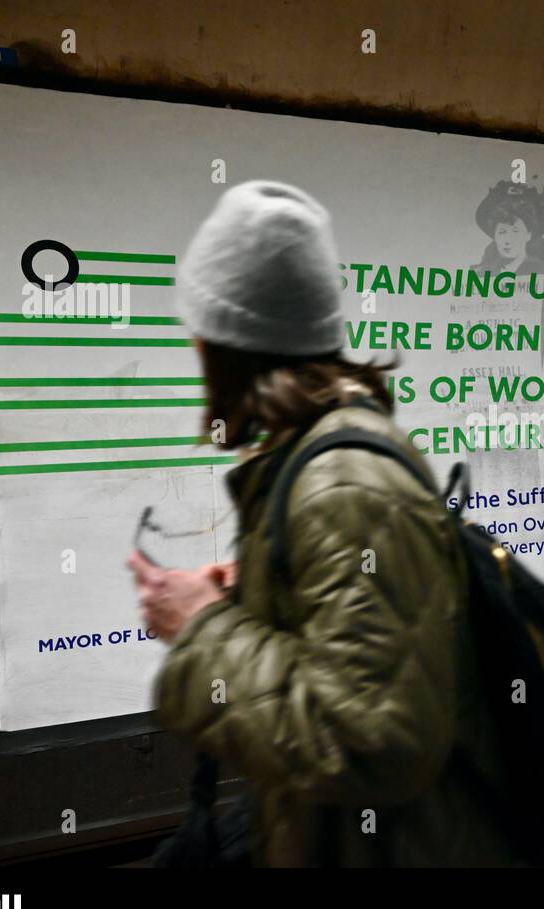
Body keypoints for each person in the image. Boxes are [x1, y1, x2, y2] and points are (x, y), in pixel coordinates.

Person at [128, 180, 515, 867]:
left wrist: (205, 629)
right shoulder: (318, 456)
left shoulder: (342, 485)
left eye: (200, 330)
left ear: (231, 342)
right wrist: (265, 593)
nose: (192, 347)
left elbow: (374, 737)